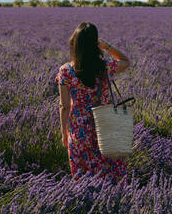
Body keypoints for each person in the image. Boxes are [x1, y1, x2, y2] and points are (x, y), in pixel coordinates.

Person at [55, 22, 131, 183]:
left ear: (74, 44)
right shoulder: (105, 67)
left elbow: (65, 106)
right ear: (95, 44)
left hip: (79, 130)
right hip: (105, 126)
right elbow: (125, 61)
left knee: (83, 177)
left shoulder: (66, 71)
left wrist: (64, 132)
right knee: (110, 173)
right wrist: (108, 47)